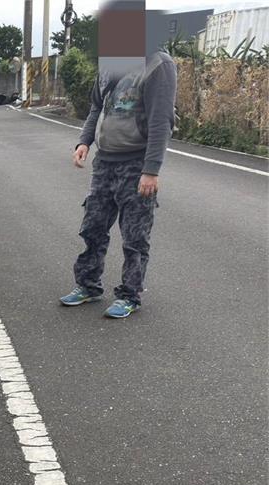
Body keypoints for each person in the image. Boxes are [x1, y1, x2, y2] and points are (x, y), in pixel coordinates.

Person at [60, 10, 178, 319]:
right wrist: (84, 141)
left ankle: (130, 294)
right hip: (105, 162)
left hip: (136, 163)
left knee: (135, 235)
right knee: (93, 227)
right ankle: (87, 285)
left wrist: (151, 171)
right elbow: (96, 106)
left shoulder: (158, 65)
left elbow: (160, 123)